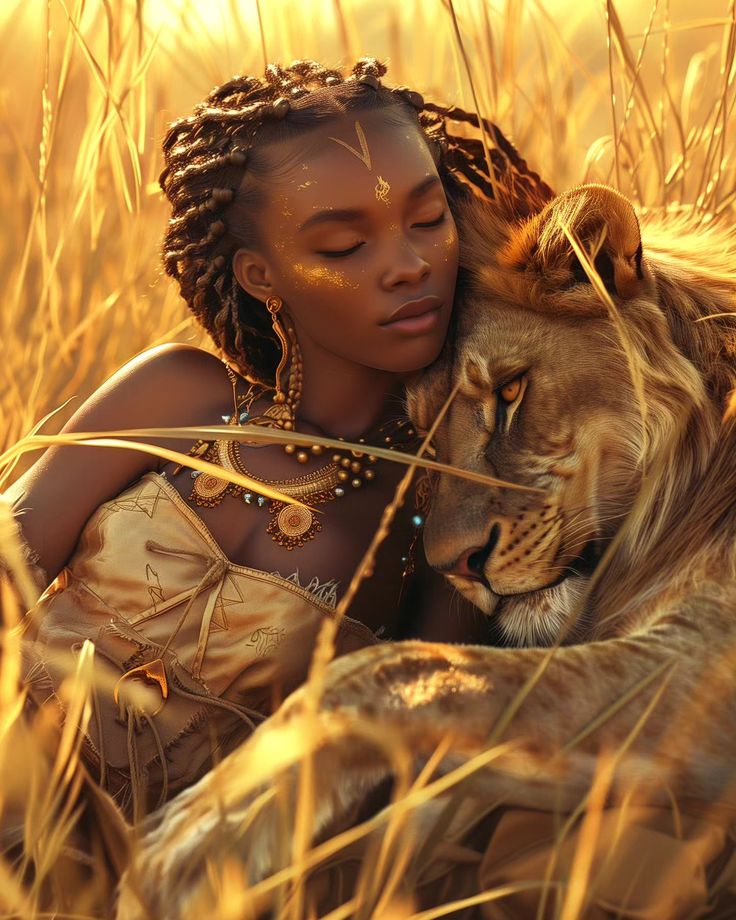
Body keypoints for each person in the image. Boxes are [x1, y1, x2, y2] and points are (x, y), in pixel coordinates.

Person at [1, 58, 525, 843]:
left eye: (427, 220)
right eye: (346, 245)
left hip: (155, 872)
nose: (409, 266)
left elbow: (406, 772)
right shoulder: (177, 394)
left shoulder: (440, 506)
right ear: (259, 274)